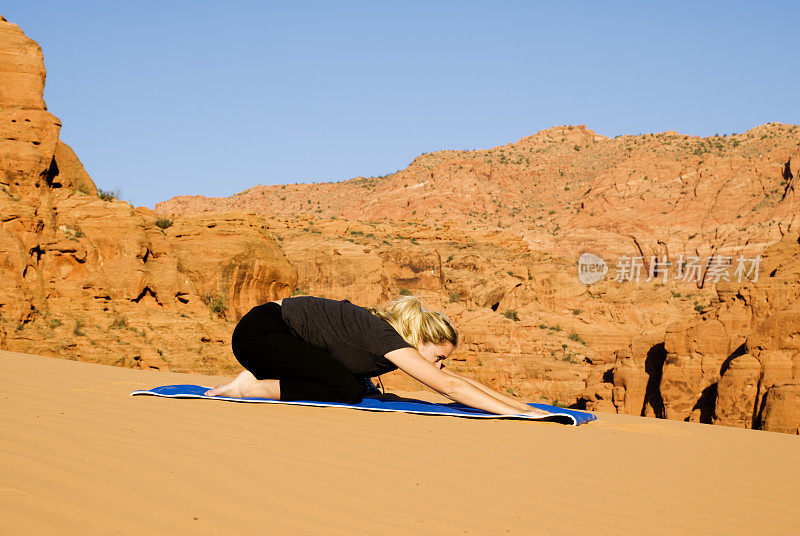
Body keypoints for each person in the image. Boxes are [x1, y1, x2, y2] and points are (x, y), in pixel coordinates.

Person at [205, 294, 550, 418]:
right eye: (438, 357)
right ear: (417, 340)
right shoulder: (387, 338)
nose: (440, 366)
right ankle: (250, 387)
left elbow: (455, 380)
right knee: (347, 389)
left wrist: (519, 406)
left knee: (355, 385)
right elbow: (449, 388)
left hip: (272, 335)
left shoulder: (386, 338)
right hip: (262, 335)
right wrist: (518, 416)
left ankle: (260, 381)